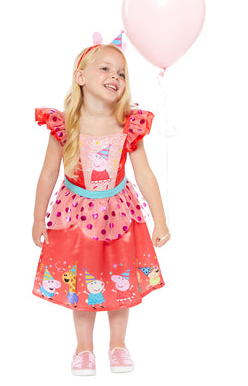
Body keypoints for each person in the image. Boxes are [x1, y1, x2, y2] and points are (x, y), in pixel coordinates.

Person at [32, 33, 170, 376]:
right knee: (83, 281)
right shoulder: (64, 125)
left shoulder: (129, 124)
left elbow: (145, 174)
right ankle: (84, 348)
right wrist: (37, 218)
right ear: (81, 77)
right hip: (75, 218)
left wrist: (161, 220)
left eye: (121, 73)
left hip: (119, 214)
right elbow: (48, 173)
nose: (115, 77)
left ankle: (118, 344)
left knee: (120, 277)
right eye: (105, 69)